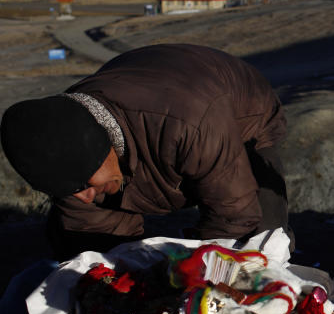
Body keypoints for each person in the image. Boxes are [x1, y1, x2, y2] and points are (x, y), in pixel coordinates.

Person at [1, 43, 291, 259]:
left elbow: (234, 216)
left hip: (240, 123)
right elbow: (90, 245)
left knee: (257, 246)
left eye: (83, 184)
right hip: (154, 126)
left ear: (103, 147)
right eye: (67, 189)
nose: (83, 196)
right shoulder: (65, 147)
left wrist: (191, 277)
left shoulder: (190, 124)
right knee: (96, 257)